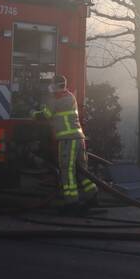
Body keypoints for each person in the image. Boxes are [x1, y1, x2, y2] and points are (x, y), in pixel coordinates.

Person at [33, 74, 99, 213]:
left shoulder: (55, 99)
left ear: (56, 86)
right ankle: (92, 196)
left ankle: (71, 203)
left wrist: (33, 113)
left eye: (52, 85)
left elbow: (46, 114)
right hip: (79, 138)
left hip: (68, 140)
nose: (50, 87)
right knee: (82, 170)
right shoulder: (70, 97)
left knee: (67, 170)